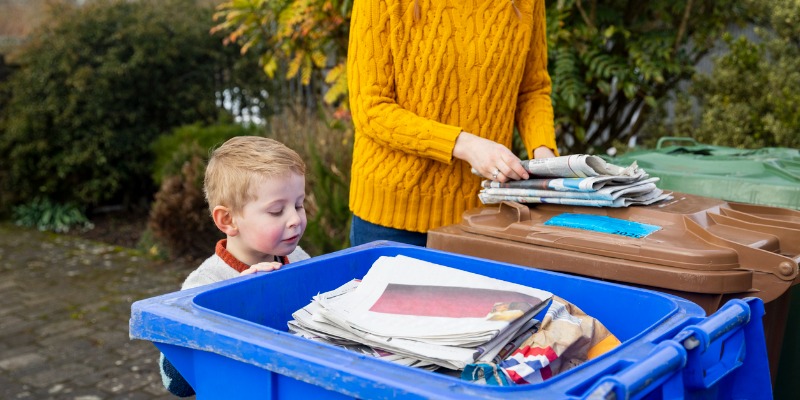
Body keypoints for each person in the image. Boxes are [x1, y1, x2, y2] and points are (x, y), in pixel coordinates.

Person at [347, 0, 558, 247]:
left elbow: (532, 90)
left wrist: (545, 156)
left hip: (484, 215)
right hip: (391, 217)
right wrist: (465, 145)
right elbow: (370, 108)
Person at [159, 136, 311, 397]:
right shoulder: (204, 286)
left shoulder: (298, 258)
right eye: (276, 211)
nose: (295, 219)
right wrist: (238, 297)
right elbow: (175, 381)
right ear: (228, 220)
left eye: (299, 204)